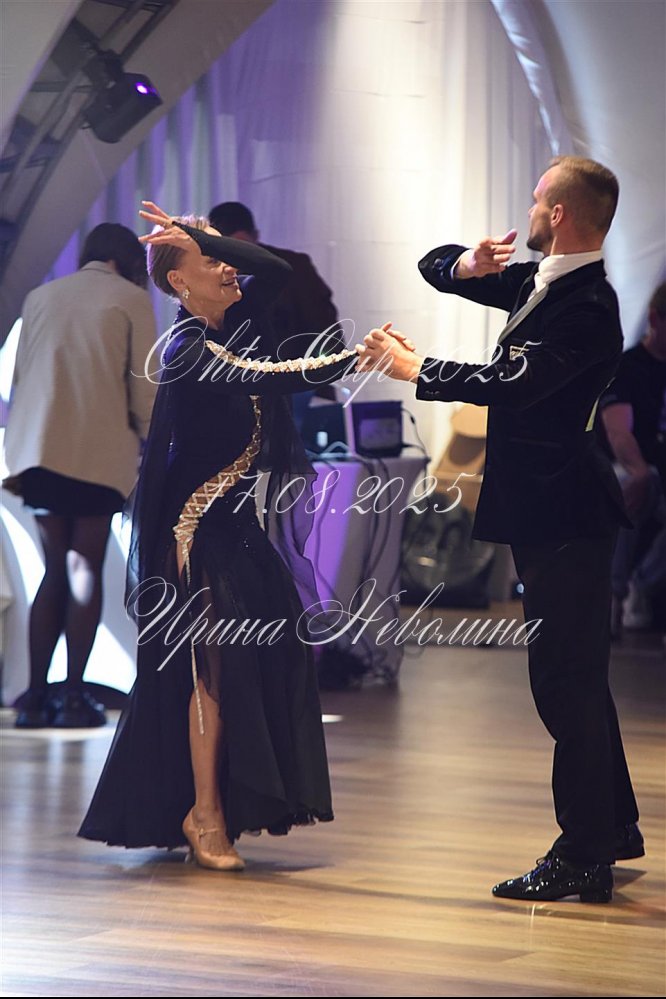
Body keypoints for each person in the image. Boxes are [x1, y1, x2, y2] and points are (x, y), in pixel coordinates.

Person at [357, 156, 643, 903]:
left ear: (561, 215)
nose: (530, 208)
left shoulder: (588, 305)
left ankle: (582, 854)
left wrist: (417, 368)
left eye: (539, 199)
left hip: (567, 513)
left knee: (564, 682)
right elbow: (434, 268)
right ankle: (611, 828)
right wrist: (467, 263)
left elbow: (515, 385)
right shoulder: (541, 283)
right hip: (553, 510)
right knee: (578, 680)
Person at [77, 202, 358, 871]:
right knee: (212, 667)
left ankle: (217, 802)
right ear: (179, 282)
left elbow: (274, 269)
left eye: (226, 256)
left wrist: (204, 239)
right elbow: (266, 378)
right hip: (194, 531)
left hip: (236, 527)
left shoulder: (238, 326)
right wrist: (353, 357)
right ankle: (204, 813)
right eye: (212, 260)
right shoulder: (187, 349)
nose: (230, 269)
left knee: (260, 660)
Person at [3, 224, 157, 729]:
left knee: (53, 568)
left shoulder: (41, 296)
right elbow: (144, 388)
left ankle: (34, 700)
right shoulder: (131, 299)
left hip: (40, 449)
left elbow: (20, 377)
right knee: (85, 566)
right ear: (126, 260)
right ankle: (73, 696)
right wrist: (154, 441)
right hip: (97, 451)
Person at [208, 201, 341, 431]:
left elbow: (325, 327)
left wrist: (322, 375)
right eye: (232, 249)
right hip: (250, 384)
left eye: (242, 247)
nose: (237, 261)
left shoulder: (293, 267)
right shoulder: (293, 265)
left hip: (292, 383)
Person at [599, 281, 666, 637]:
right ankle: (614, 593)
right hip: (636, 467)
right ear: (655, 319)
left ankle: (641, 584)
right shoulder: (627, 368)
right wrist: (640, 471)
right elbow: (618, 431)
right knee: (629, 484)